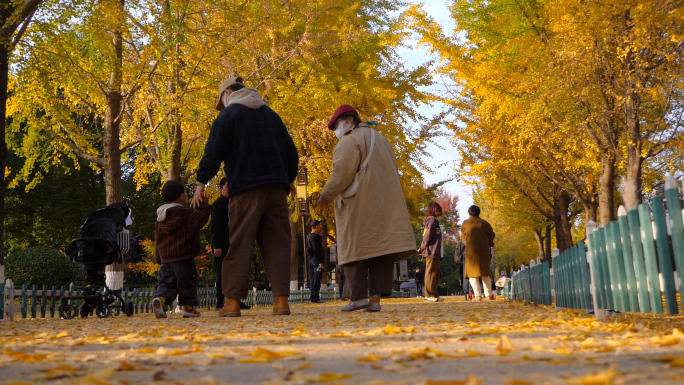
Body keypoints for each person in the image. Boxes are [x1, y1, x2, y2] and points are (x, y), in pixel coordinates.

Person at [192, 76, 299, 317]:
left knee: (239, 244)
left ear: (227, 93)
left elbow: (214, 151)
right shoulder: (272, 116)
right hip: (276, 188)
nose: (223, 104)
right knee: (278, 245)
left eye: (222, 99)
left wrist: (201, 182)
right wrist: (287, 179)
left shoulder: (229, 116)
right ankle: (281, 301)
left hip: (245, 188)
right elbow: (291, 153)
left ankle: (232, 302)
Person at [317, 105, 415, 312]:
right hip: (384, 203)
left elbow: (341, 173)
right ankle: (376, 300)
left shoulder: (349, 140)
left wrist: (326, 194)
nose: (337, 129)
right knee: (380, 251)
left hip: (359, 204)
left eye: (337, 124)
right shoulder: (381, 139)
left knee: (355, 249)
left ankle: (357, 297)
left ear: (349, 120)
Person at [152, 181, 211, 318]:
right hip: (184, 257)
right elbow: (199, 221)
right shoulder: (186, 214)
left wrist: (159, 259)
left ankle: (160, 300)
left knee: (167, 283)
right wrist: (204, 205)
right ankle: (189, 309)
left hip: (166, 259)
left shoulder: (160, 219)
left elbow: (157, 241)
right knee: (187, 283)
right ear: (181, 196)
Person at [210, 177, 250, 311]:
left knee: (236, 273)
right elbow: (214, 226)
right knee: (221, 274)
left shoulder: (236, 203)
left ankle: (236, 299)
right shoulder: (218, 204)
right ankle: (220, 302)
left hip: (235, 243)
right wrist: (216, 245)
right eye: (228, 187)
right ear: (221, 189)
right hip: (222, 244)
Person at [461, 205, 496, 301]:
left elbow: (463, 237)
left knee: (472, 274)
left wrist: (468, 243)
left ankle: (477, 295)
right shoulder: (485, 223)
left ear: (469, 213)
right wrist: (487, 243)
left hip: (470, 252)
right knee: (485, 272)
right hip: (484, 250)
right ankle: (488, 295)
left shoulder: (465, 223)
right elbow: (492, 235)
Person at [417, 202, 443, 302]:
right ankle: (428, 294)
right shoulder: (432, 221)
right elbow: (426, 237)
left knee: (435, 273)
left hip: (435, 251)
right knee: (430, 272)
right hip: (431, 251)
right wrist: (422, 248)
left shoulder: (435, 221)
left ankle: (434, 293)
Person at [306, 220, 326, 303]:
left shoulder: (309, 236)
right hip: (316, 260)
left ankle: (313, 297)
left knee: (314, 277)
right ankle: (315, 297)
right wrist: (320, 262)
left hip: (312, 260)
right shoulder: (314, 237)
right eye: (319, 225)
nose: (321, 226)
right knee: (316, 278)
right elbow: (316, 250)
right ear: (316, 226)